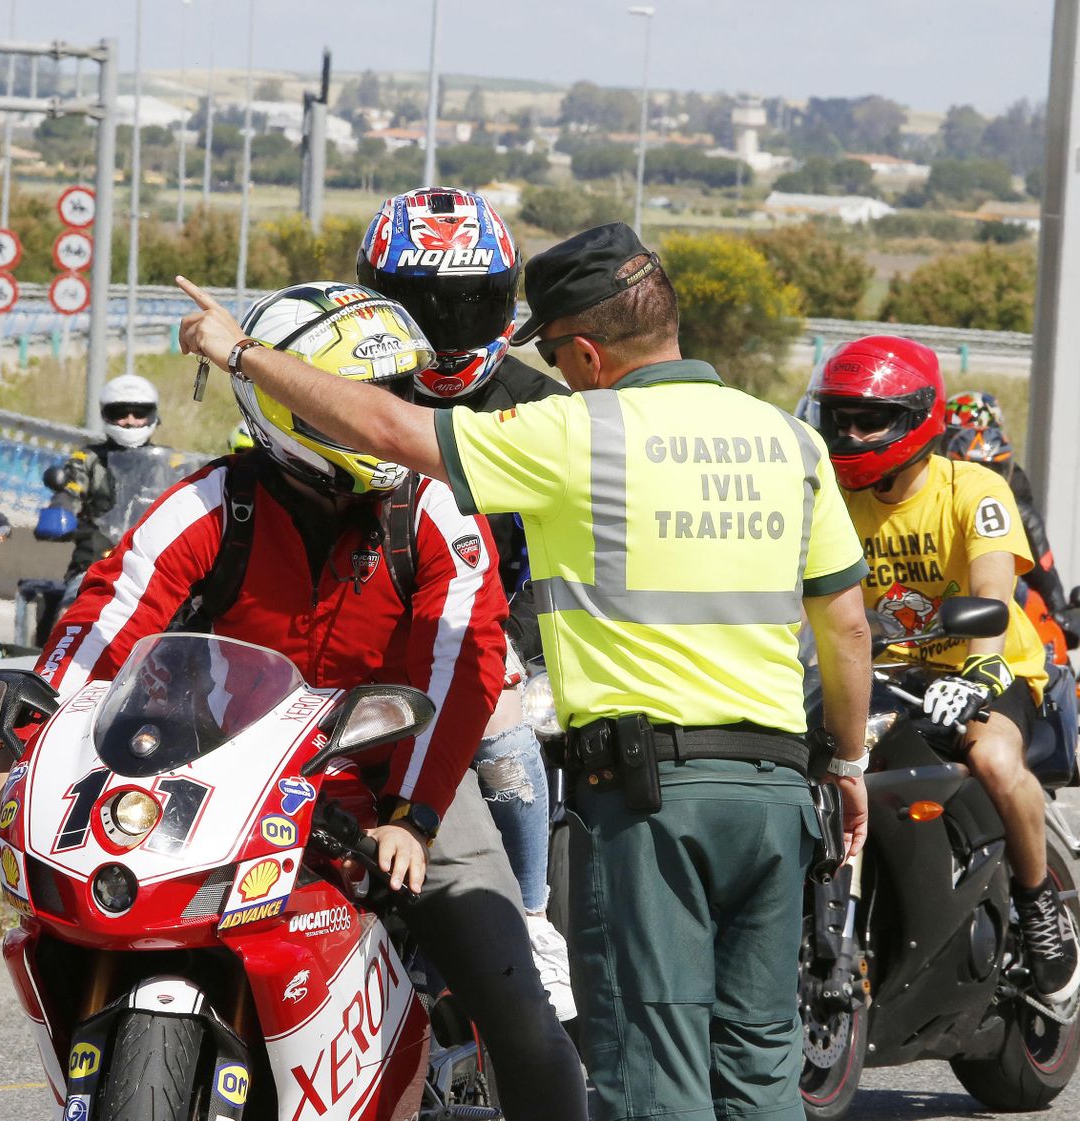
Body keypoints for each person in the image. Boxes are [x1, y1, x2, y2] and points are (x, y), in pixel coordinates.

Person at [175, 221, 875, 1121]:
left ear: (585, 350)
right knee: (759, 1063)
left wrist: (242, 351)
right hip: (777, 796)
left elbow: (387, 427)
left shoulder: (581, 432)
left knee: (652, 1067)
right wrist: (847, 763)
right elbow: (847, 627)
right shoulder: (790, 442)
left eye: (556, 351)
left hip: (650, 800)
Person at [0, 282, 587, 1121]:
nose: (391, 410)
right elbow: (109, 614)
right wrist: (23, 746)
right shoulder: (211, 500)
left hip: (397, 781)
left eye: (403, 390)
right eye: (375, 391)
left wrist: (413, 813)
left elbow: (465, 657)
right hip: (234, 784)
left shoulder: (433, 508)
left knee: (517, 1005)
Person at [813, 337, 1080, 1005]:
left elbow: (992, 598)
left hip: (986, 667)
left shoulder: (977, 489)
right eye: (840, 417)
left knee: (993, 759)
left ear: (915, 418)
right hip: (887, 671)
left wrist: (978, 672)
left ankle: (1038, 901)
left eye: (867, 419)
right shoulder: (833, 499)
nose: (850, 433)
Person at [357, 185, 573, 1016]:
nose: (449, 325)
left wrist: (514, 636)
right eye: (422, 304)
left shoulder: (547, 406)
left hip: (503, 640)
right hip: (374, 642)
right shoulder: (357, 390)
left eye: (473, 302)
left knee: (501, 729)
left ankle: (529, 921)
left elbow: (566, 550)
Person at [943, 390, 1070, 655]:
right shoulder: (924, 474)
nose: (975, 441)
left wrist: (1057, 607)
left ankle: (1054, 647)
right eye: (957, 433)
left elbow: (1035, 546)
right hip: (942, 575)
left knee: (1032, 597)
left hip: (1000, 570)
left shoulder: (1016, 484)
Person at [44, 373, 161, 591]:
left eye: (139, 413)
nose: (130, 421)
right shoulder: (87, 460)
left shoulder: (169, 464)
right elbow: (70, 493)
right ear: (106, 415)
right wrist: (61, 510)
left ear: (153, 415)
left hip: (154, 562)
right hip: (95, 558)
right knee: (71, 608)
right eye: (120, 413)